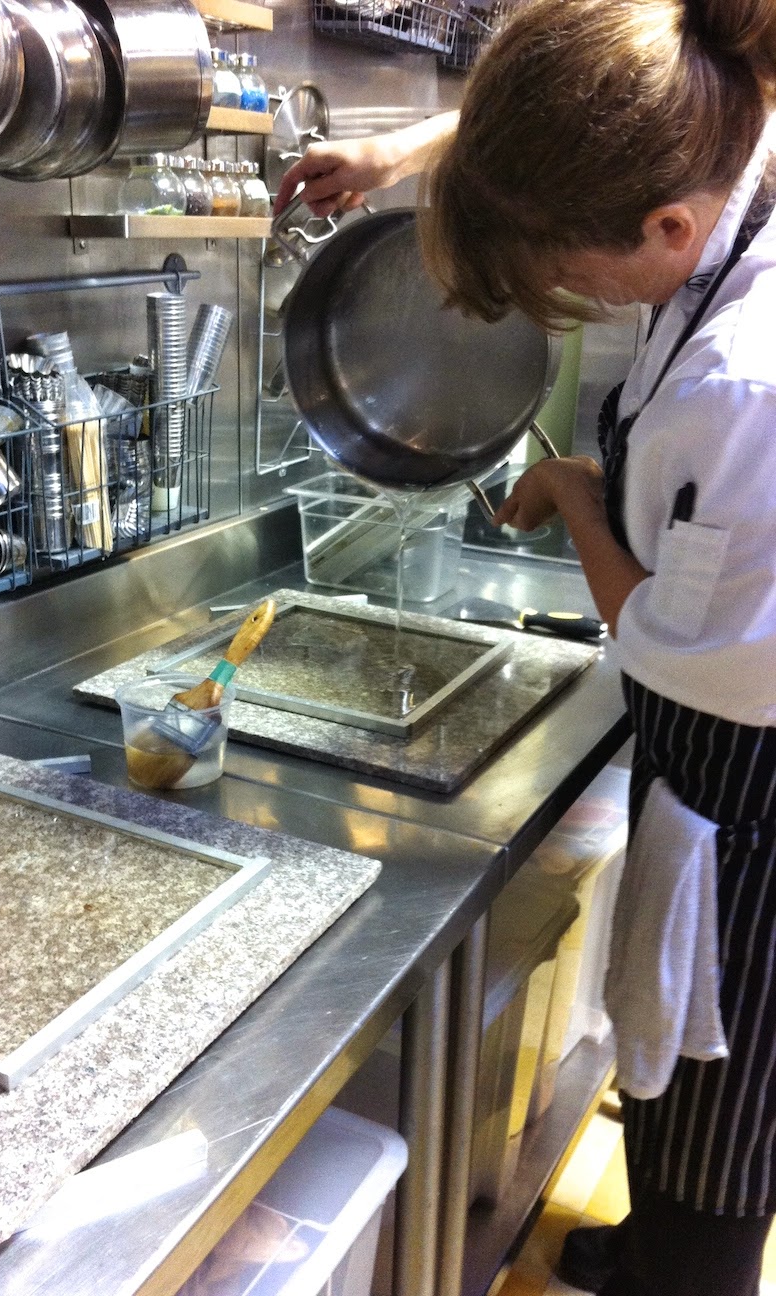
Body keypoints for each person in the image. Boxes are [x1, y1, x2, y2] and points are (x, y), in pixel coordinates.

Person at [276, 3, 776, 1295]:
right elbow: (546, 130)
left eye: (569, 279)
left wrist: (574, 498)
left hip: (758, 789)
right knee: (682, 1053)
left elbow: (682, 644)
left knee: (736, 1092)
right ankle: (657, 1233)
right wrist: (395, 161)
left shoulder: (750, 379)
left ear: (668, 228)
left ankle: (692, 1264)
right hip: (717, 769)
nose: (566, 307)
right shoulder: (717, 141)